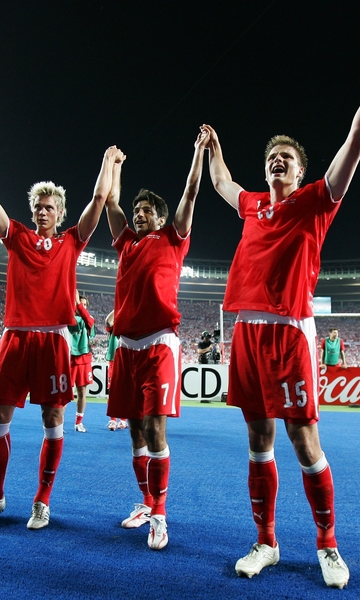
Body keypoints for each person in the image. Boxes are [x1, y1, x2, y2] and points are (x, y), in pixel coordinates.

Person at [204, 33, 360, 586]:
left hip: (290, 334)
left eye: (285, 156)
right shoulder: (253, 205)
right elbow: (220, 181)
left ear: (301, 168)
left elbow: (355, 143)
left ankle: (328, 545)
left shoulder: (316, 202)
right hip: (247, 333)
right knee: (258, 441)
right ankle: (266, 542)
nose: (276, 160)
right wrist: (211, 149)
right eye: (269, 157)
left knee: (303, 439)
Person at [0, 129, 120, 530]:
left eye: (50, 207)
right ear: (33, 210)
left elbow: (99, 200)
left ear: (60, 213)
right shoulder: (16, 236)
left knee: (53, 418)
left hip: (52, 340)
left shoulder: (71, 242)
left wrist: (107, 162)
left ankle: (42, 501)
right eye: (39, 206)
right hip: (16, 337)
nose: (44, 211)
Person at [105, 126, 209, 550]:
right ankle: (147, 502)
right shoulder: (126, 242)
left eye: (146, 209)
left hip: (160, 344)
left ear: (161, 217)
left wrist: (199, 151)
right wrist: (113, 166)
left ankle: (162, 514)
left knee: (154, 428)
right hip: (125, 348)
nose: (138, 213)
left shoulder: (173, 238)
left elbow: (190, 192)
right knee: (133, 431)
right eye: (137, 209)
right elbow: (109, 201)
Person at [69, 292, 95, 433]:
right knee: (66, 393)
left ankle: (79, 422)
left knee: (82, 391)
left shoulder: (89, 319)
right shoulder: (69, 317)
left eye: (85, 305)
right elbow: (71, 321)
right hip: (70, 359)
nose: (82, 307)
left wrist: (78, 303)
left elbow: (89, 321)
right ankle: (58, 422)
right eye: (80, 304)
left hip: (84, 359)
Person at [104, 310, 126, 431]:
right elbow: (108, 321)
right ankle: (112, 420)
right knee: (112, 392)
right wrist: (117, 307)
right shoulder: (114, 326)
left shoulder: (130, 324)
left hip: (127, 361)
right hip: (114, 361)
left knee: (126, 392)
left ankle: (123, 420)